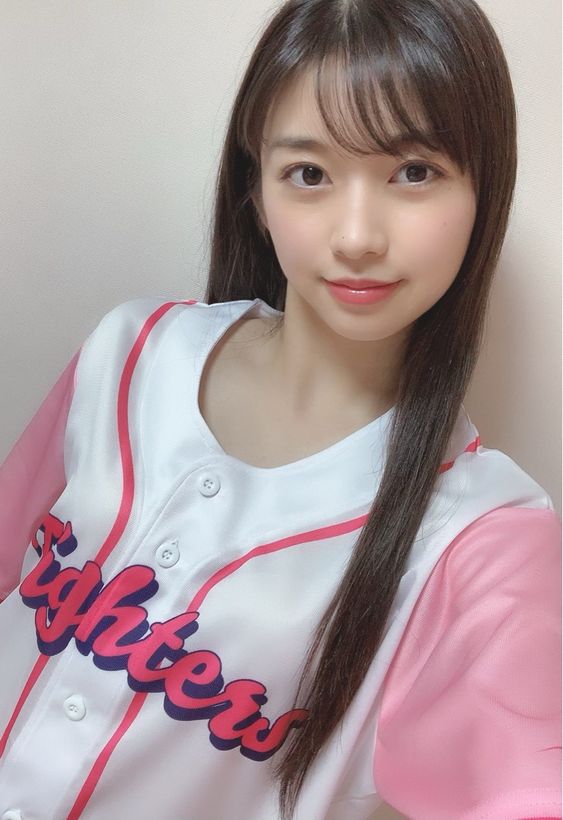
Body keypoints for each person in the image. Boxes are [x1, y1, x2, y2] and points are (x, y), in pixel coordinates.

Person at [0, 0, 560, 818]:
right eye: (309, 173)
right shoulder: (131, 350)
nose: (357, 236)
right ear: (255, 190)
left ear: (483, 192)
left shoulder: (481, 537)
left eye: (413, 171)